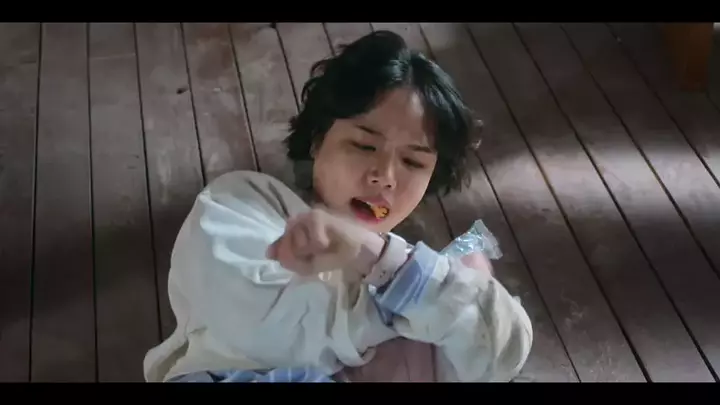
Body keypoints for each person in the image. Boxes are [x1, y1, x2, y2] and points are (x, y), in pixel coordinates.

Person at [142, 29, 532, 383]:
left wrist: (383, 260)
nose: (385, 176)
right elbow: (267, 328)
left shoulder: (403, 265)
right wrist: (425, 297)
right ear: (317, 139)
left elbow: (501, 355)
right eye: (364, 145)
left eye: (413, 162)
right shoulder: (239, 204)